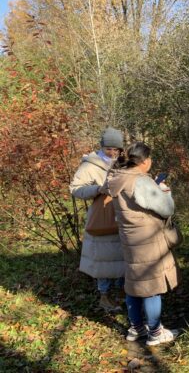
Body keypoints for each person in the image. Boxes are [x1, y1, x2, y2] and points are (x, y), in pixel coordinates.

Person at [106, 142, 180, 346]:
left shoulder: (117, 178)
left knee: (134, 284)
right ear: (145, 161)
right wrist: (164, 190)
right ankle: (155, 332)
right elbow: (166, 209)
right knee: (151, 287)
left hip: (130, 238)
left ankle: (136, 327)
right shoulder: (140, 182)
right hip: (148, 239)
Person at [70, 127, 126, 312]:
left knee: (121, 258)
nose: (112, 152)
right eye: (109, 148)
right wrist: (97, 190)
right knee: (103, 260)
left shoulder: (123, 163)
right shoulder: (90, 165)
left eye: (116, 149)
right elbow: (75, 189)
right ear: (102, 146)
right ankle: (104, 297)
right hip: (101, 219)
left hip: (122, 217)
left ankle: (121, 295)